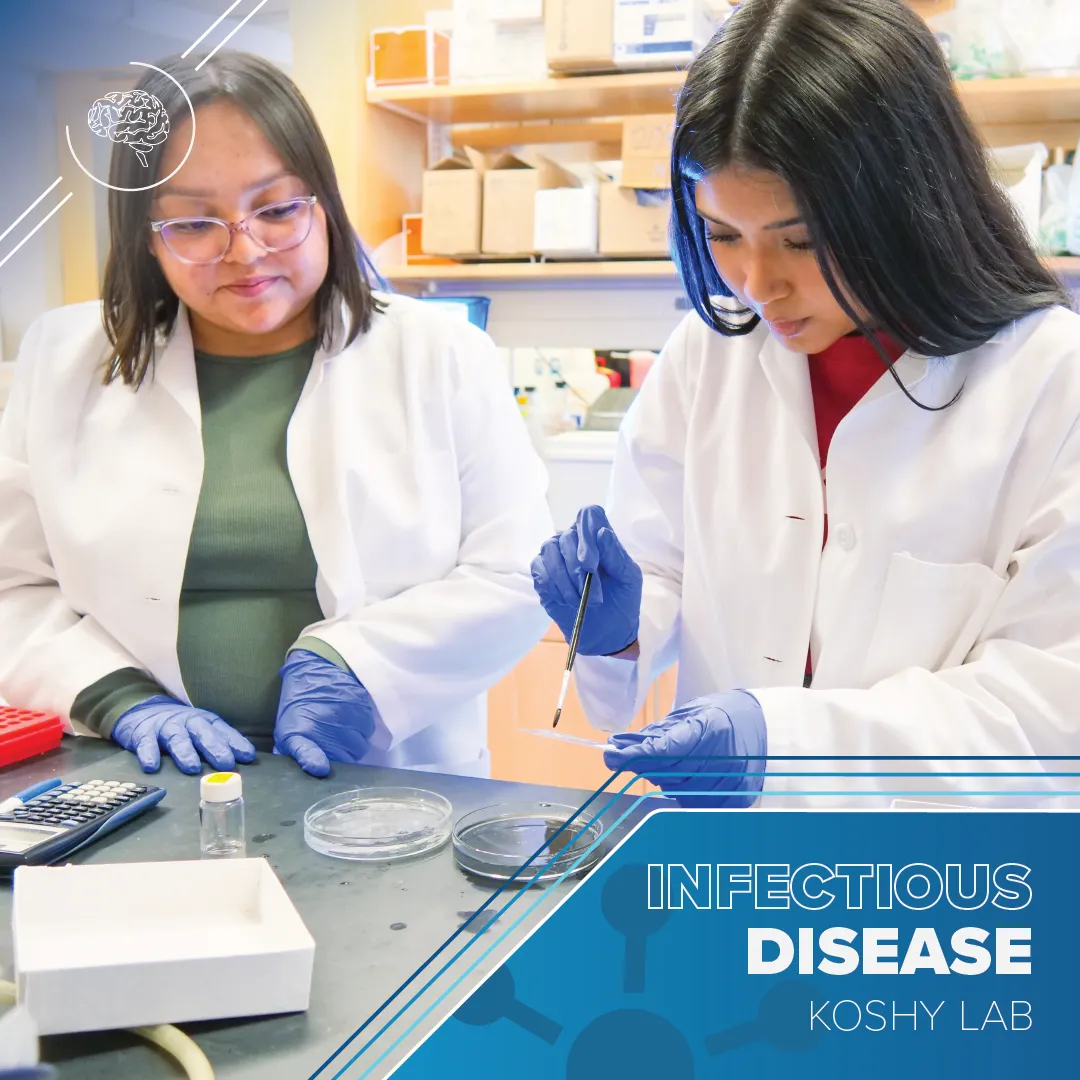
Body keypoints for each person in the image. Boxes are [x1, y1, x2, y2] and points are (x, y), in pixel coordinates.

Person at [532, 0, 1080, 808]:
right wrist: (619, 629)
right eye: (722, 234)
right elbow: (664, 567)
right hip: (729, 857)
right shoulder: (707, 358)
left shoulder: (1050, 383)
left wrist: (783, 746)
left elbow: (1046, 711)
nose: (756, 284)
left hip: (942, 886)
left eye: (801, 240)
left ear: (908, 203)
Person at [0, 51, 553, 779]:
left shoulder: (441, 353)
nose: (246, 251)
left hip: (381, 776)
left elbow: (517, 572)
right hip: (136, 775)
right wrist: (118, 699)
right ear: (145, 235)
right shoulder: (62, 359)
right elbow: (13, 586)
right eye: (196, 224)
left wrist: (356, 664)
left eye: (278, 209)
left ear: (322, 202)